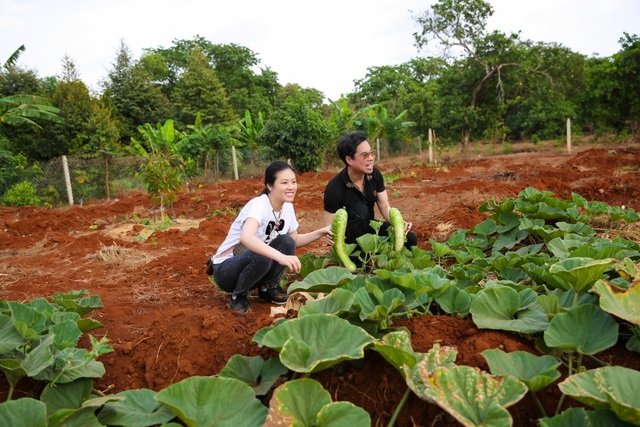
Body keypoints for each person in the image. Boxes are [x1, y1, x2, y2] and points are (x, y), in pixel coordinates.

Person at [208, 161, 331, 315]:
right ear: (270, 186)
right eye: (284, 183)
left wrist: (321, 232)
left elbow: (294, 240)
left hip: (253, 266)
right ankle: (237, 297)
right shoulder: (258, 206)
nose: (291, 187)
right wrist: (281, 257)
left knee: (286, 241)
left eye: (293, 182)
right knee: (262, 253)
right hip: (226, 271)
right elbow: (246, 237)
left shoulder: (287, 207)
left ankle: (268, 288)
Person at [323, 130, 417, 254]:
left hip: (369, 226)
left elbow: (384, 206)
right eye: (365, 155)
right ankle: (358, 258)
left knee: (410, 239)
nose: (371, 158)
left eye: (371, 153)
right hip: (349, 237)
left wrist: (398, 223)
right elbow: (330, 227)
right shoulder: (334, 188)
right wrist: (331, 238)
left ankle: (374, 254)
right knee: (360, 209)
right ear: (349, 160)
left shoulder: (374, 175)